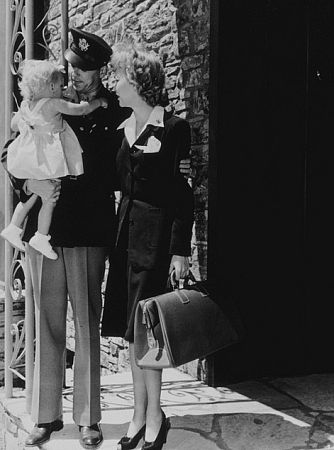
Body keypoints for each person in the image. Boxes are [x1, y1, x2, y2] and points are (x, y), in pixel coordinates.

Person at [101, 43, 194, 450]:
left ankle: (155, 415)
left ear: (138, 81)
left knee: (148, 333)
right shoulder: (123, 129)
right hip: (126, 239)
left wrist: (180, 250)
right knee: (130, 331)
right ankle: (138, 414)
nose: (113, 84)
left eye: (119, 76)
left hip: (155, 242)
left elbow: (182, 195)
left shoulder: (173, 128)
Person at [0, 59, 108, 259]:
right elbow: (7, 153)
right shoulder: (55, 103)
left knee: (46, 193)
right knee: (46, 194)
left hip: (85, 227)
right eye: (61, 84)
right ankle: (38, 235)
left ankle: (15, 227)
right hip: (48, 217)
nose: (68, 82)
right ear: (50, 86)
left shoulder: (27, 106)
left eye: (82, 68)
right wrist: (28, 185)